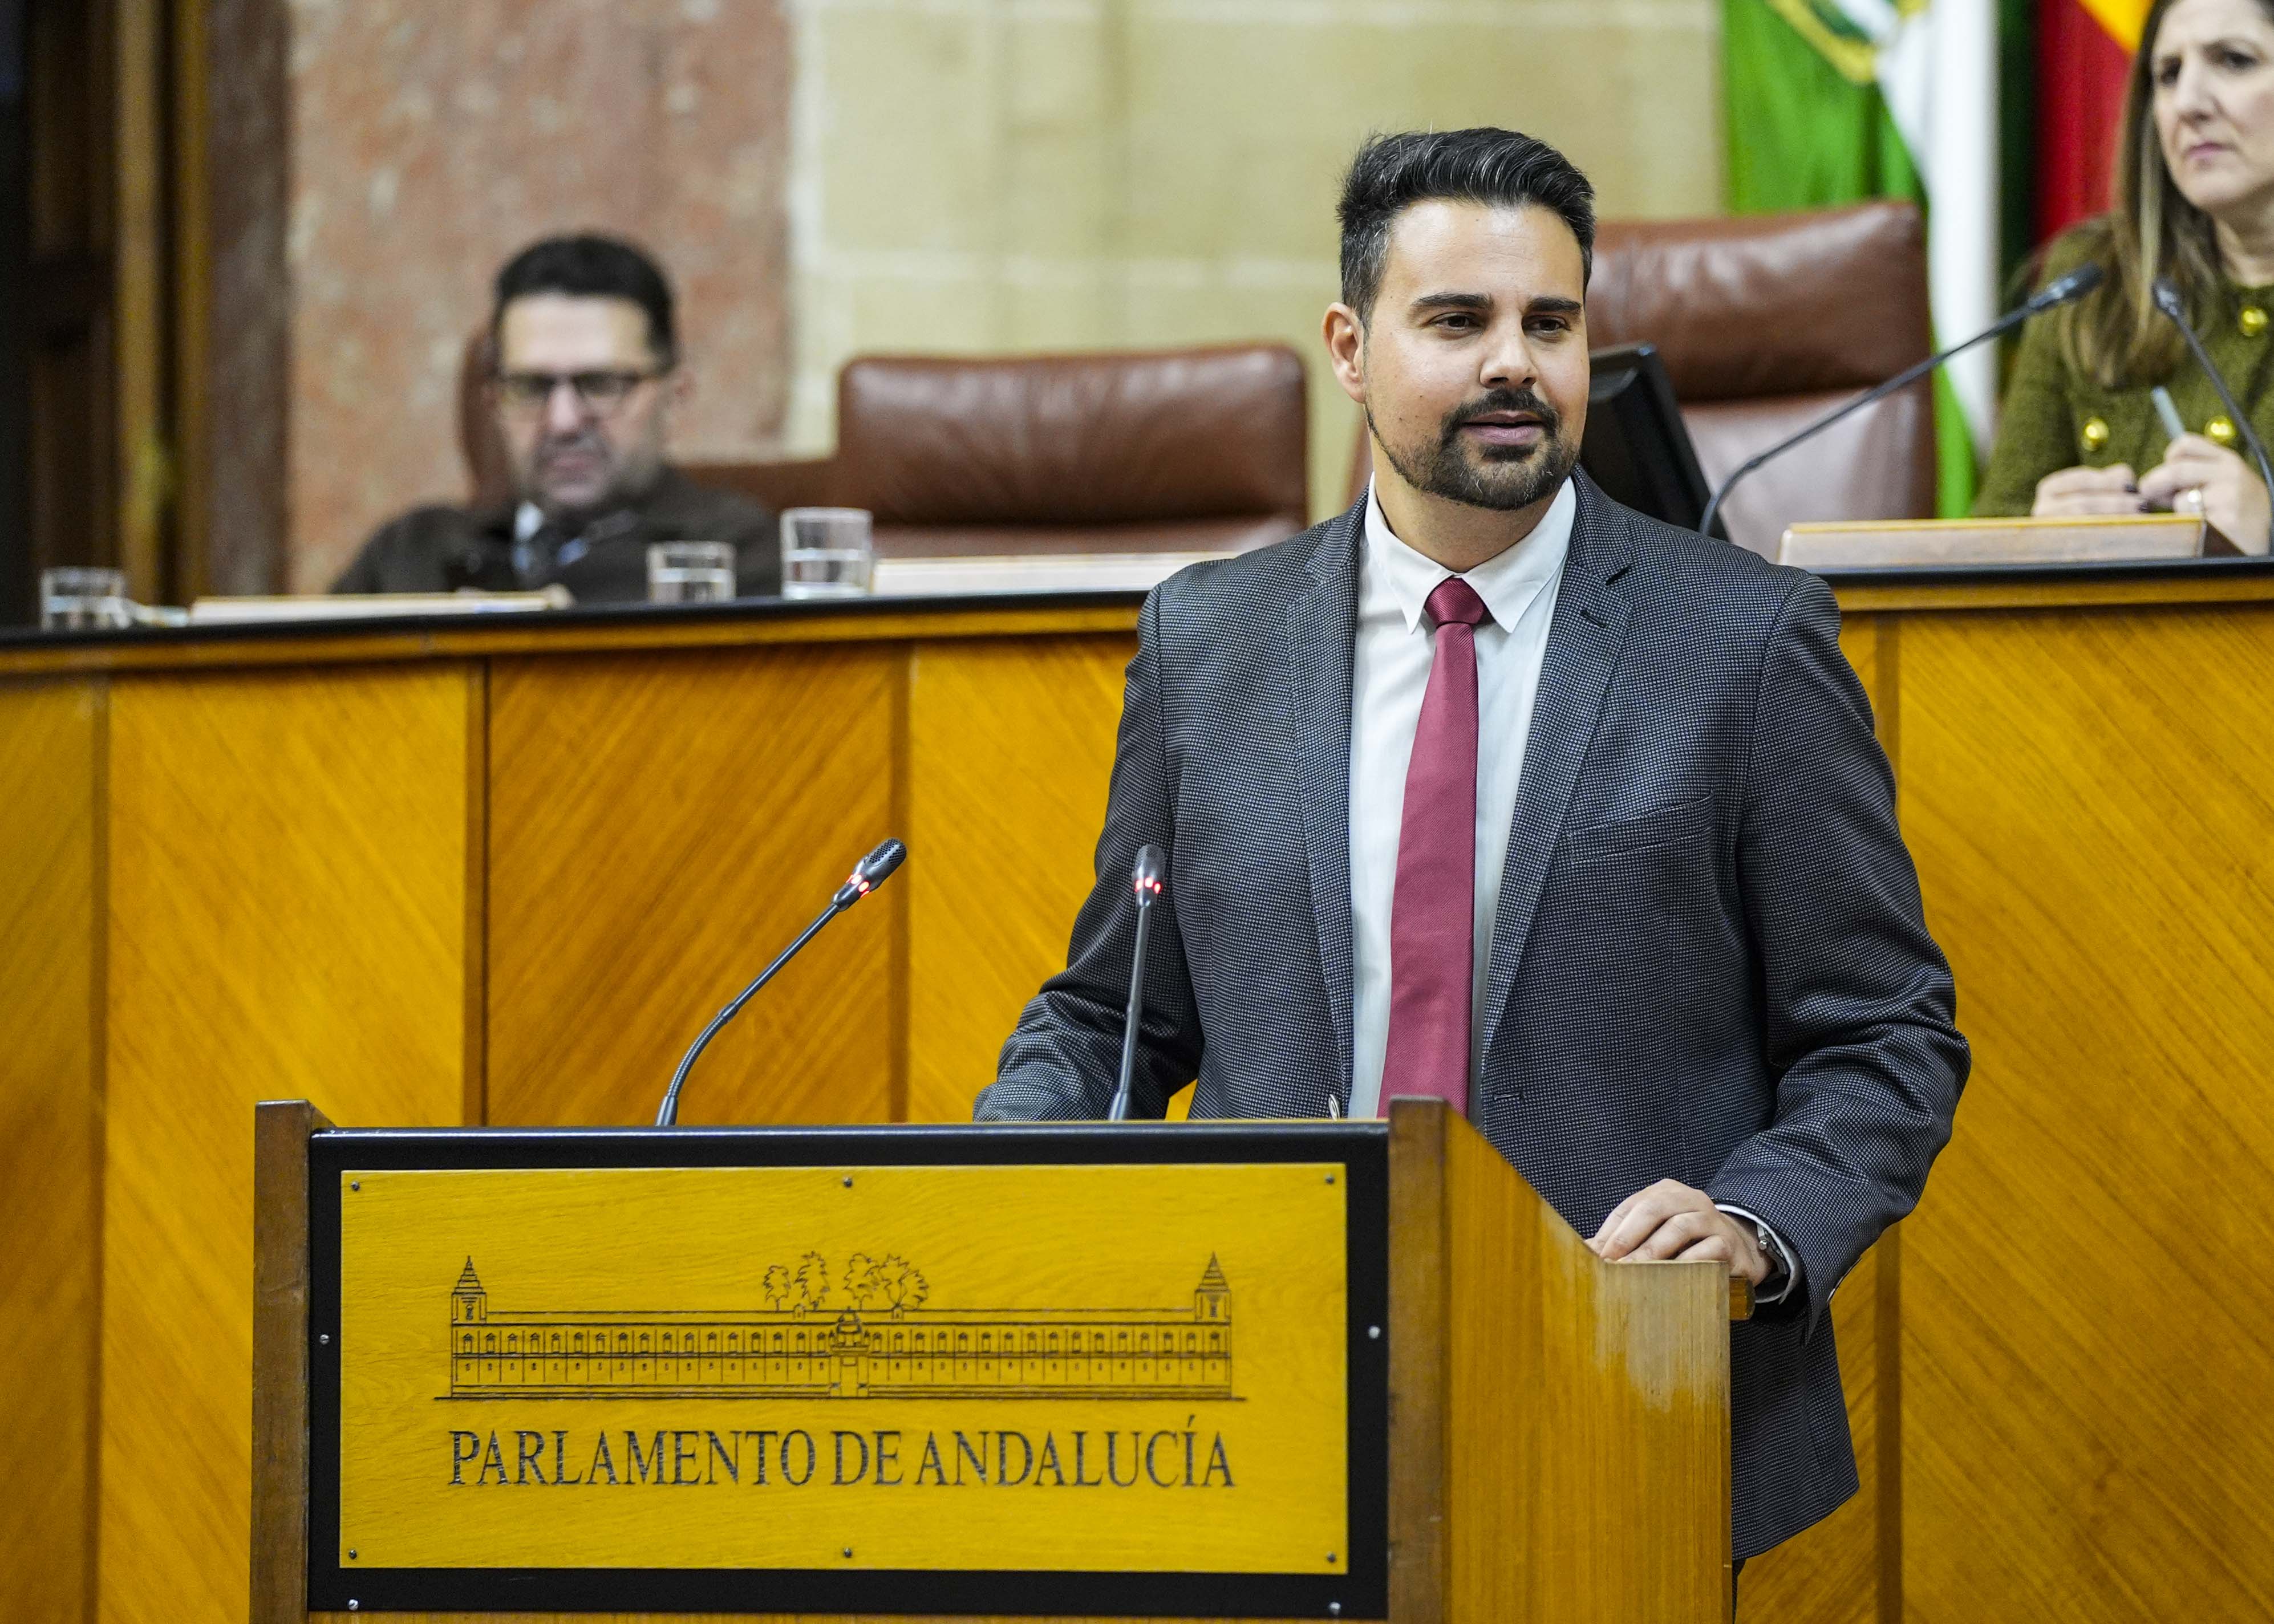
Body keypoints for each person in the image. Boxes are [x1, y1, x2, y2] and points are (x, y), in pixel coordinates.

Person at [975, 128, 1969, 1565]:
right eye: (1457, 321)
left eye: (1548, 324)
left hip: (1619, 1383)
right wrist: (998, 1160)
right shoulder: (1209, 639)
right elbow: (1114, 1012)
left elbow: (1884, 1030)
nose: (1514, 362)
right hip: (1266, 1377)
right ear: (1349, 346)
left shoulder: (1742, 640)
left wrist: (1757, 1223)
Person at [1977, 0, 2274, 553]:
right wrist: (2032, 542)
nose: (2187, 103)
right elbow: (1988, 536)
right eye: (2168, 74)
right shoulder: (2093, 278)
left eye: (2234, 61)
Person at [333, 234, 779, 599]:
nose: (563, 422)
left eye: (602, 385)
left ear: (676, 396)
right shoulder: (411, 554)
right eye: (530, 388)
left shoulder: (737, 557)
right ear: (493, 403)